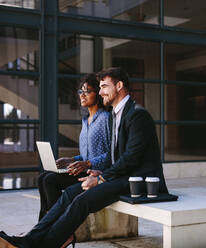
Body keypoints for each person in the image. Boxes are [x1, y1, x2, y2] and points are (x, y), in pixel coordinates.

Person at [0, 67, 168, 248]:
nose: (101, 91)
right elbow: (116, 156)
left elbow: (131, 158)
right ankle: (29, 239)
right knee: (70, 195)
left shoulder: (137, 114)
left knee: (81, 201)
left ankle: (43, 245)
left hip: (139, 181)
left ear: (119, 86)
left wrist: (102, 177)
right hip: (122, 176)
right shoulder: (117, 114)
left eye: (104, 86)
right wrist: (96, 172)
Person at [37, 73, 111, 220]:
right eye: (80, 91)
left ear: (98, 94)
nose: (82, 95)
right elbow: (87, 155)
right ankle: (44, 223)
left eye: (87, 91)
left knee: (50, 180)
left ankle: (54, 224)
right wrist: (71, 159)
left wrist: (86, 163)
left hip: (96, 173)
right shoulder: (86, 121)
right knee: (43, 177)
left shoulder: (106, 119)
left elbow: (112, 154)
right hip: (84, 168)